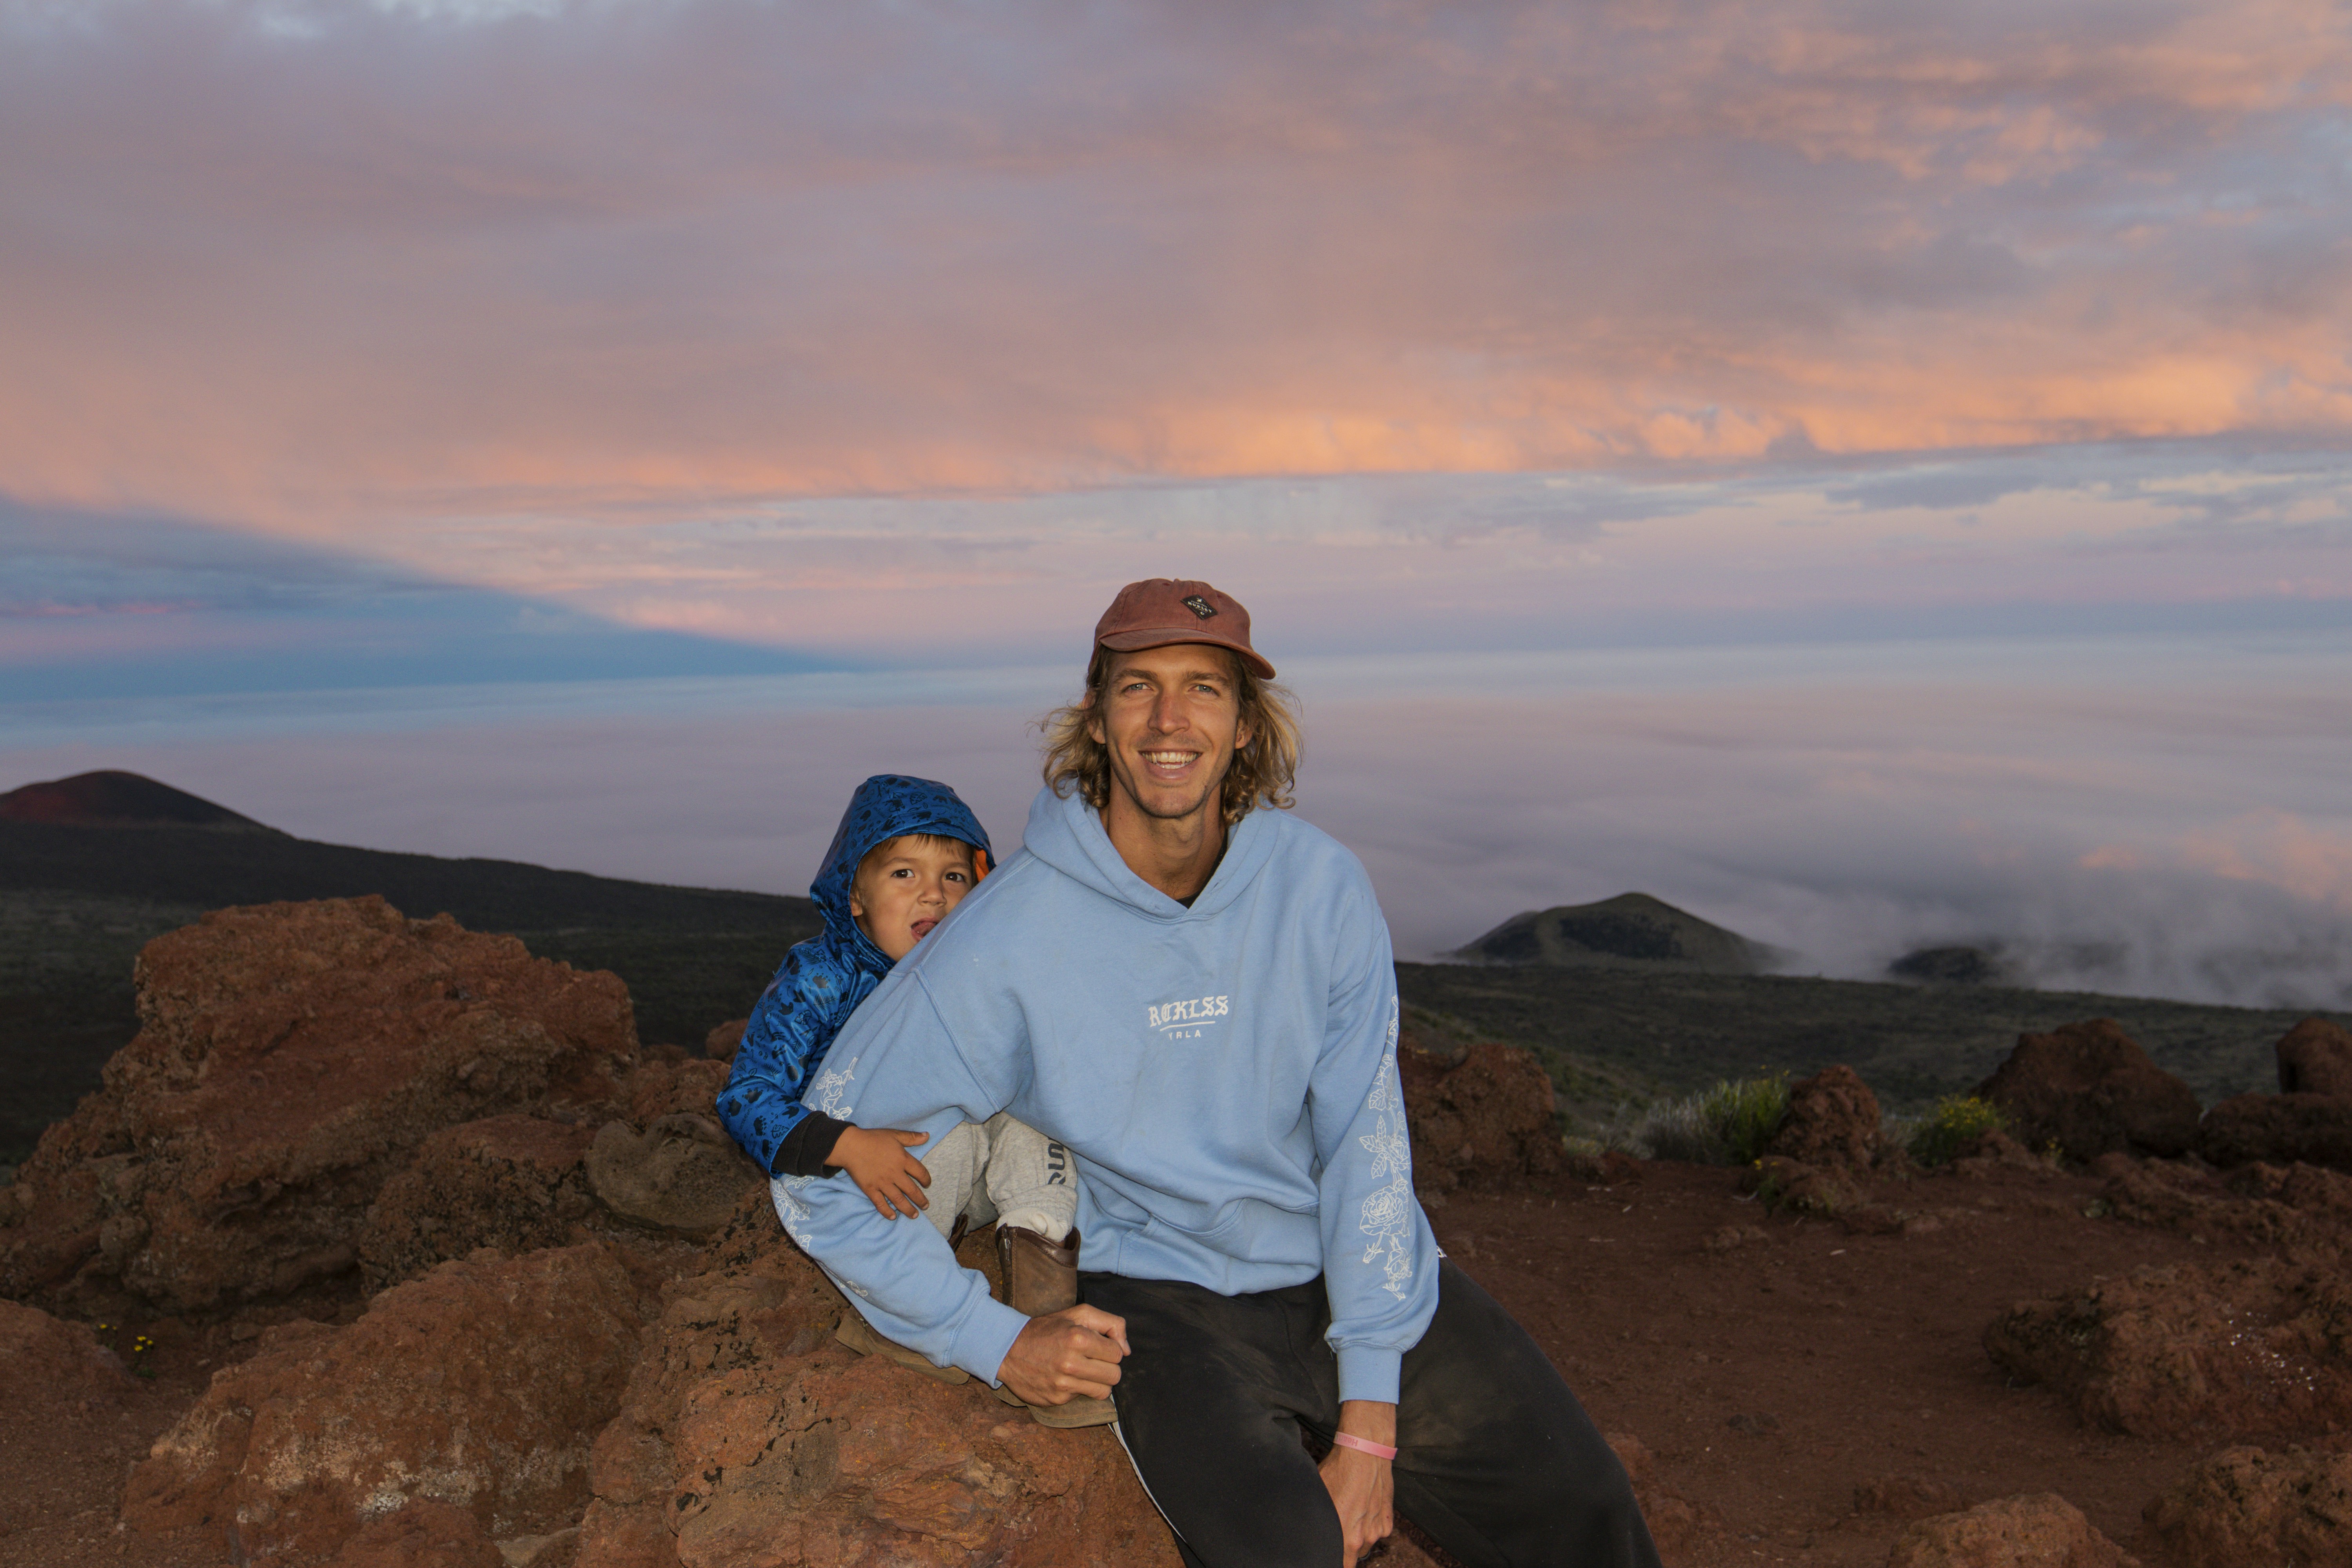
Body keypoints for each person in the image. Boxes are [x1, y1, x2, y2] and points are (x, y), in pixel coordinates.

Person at [771, 583, 1660, 1567]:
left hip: (1347, 1266)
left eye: (1204, 687)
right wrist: (991, 1337)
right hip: (1163, 1300)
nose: (1168, 719)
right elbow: (818, 1170)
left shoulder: (1318, 889)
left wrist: (1368, 1423)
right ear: (1099, 719)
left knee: (1588, 1515)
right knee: (1288, 1550)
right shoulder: (1007, 938)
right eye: (1137, 686)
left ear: (1243, 725)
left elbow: (1364, 1152)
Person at [715, 773, 1112, 1428]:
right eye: (904, 873)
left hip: (969, 1180)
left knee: (1038, 1122)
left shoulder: (976, 983)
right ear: (856, 896)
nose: (934, 892)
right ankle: (911, 1314)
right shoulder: (822, 977)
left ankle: (1044, 1311)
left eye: (956, 877)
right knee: (945, 1139)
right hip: (872, 1185)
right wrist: (846, 1145)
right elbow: (748, 1096)